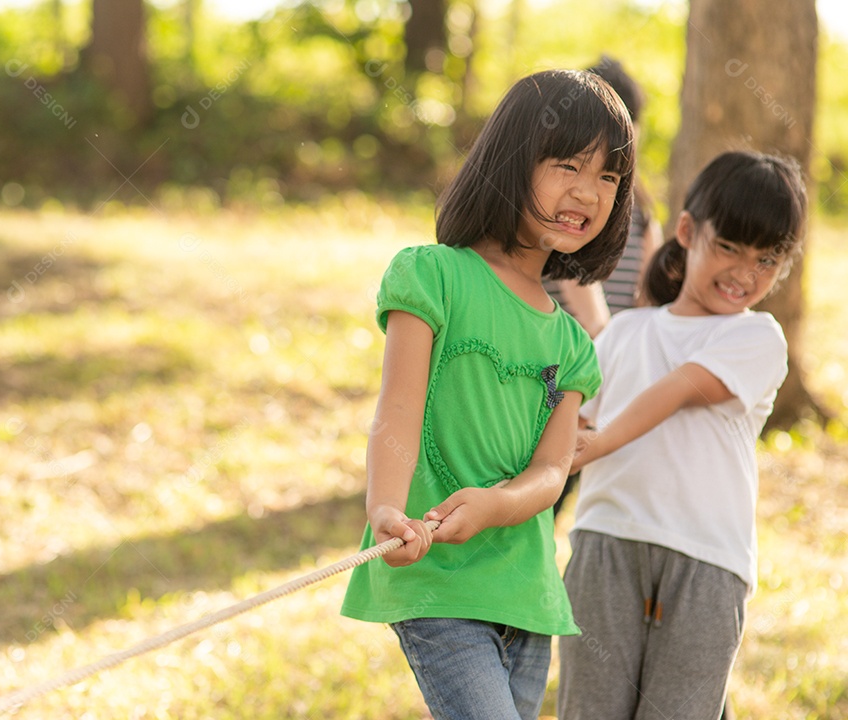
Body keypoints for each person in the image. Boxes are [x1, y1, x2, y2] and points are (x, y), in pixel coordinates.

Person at [340, 68, 635, 720]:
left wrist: (497, 504)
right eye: (567, 165)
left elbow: (553, 471)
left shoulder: (574, 346)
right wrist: (387, 507)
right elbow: (397, 412)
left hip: (525, 594)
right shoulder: (433, 277)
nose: (588, 192)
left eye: (608, 177)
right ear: (511, 160)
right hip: (439, 582)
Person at [557, 150, 807, 719]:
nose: (745, 272)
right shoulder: (623, 334)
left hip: (706, 563)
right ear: (689, 231)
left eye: (767, 259)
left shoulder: (757, 339)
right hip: (605, 545)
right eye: (729, 247)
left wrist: (595, 445)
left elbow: (680, 390)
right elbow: (568, 428)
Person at [549, 55, 663, 519]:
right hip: (564, 364)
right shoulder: (575, 201)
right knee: (547, 484)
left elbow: (650, 290)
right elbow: (572, 277)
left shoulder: (642, 208)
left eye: (631, 123)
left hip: (607, 372)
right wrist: (609, 344)